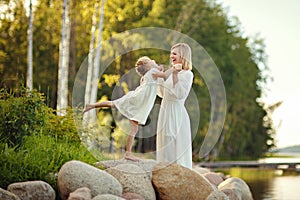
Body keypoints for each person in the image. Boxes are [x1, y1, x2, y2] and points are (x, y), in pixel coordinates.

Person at [83, 56, 169, 161]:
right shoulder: (153, 72)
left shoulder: (147, 75)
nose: (153, 60)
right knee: (130, 124)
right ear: (148, 66)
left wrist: (159, 69)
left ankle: (91, 106)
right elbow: (165, 75)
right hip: (137, 102)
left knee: (116, 107)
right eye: (150, 61)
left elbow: (157, 80)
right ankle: (128, 153)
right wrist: (174, 69)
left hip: (135, 100)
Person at [156, 43, 194, 169]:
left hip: (177, 112)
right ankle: (164, 172)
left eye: (174, 53)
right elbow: (162, 93)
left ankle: (180, 176)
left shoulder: (187, 74)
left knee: (176, 145)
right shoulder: (171, 72)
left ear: (182, 56)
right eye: (171, 53)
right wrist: (161, 77)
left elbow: (179, 94)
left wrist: (175, 74)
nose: (171, 56)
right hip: (165, 110)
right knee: (165, 144)